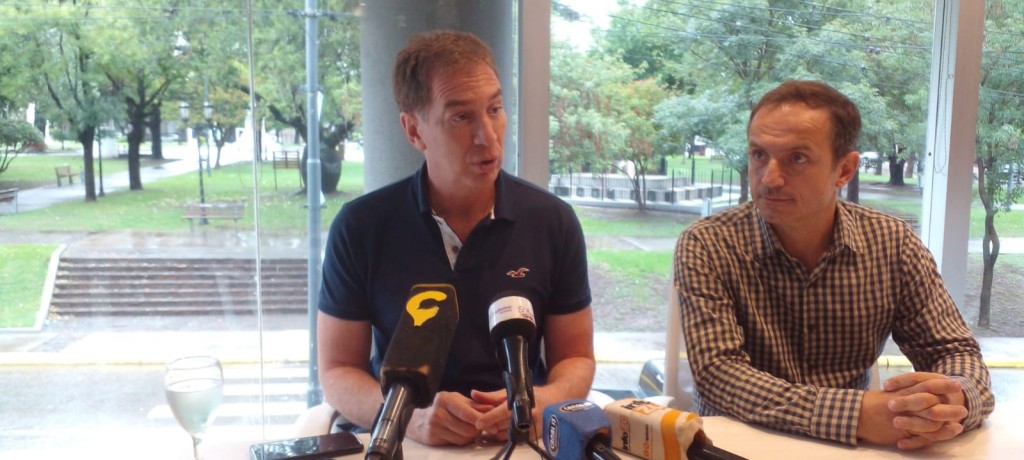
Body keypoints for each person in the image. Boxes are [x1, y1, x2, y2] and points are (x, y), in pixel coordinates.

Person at [674, 80, 994, 449]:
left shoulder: (892, 244)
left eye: (797, 158)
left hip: (849, 449)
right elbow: (719, 375)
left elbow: (953, 351)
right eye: (758, 155)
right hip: (738, 444)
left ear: (844, 169)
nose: (769, 178)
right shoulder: (708, 243)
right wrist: (856, 415)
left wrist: (952, 400)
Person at [317, 30, 595, 447]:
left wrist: (544, 401)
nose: (488, 136)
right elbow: (337, 371)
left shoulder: (553, 221)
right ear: (414, 131)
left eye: (495, 109)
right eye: (461, 117)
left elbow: (575, 357)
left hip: (520, 441)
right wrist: (409, 418)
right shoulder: (361, 227)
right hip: (405, 442)